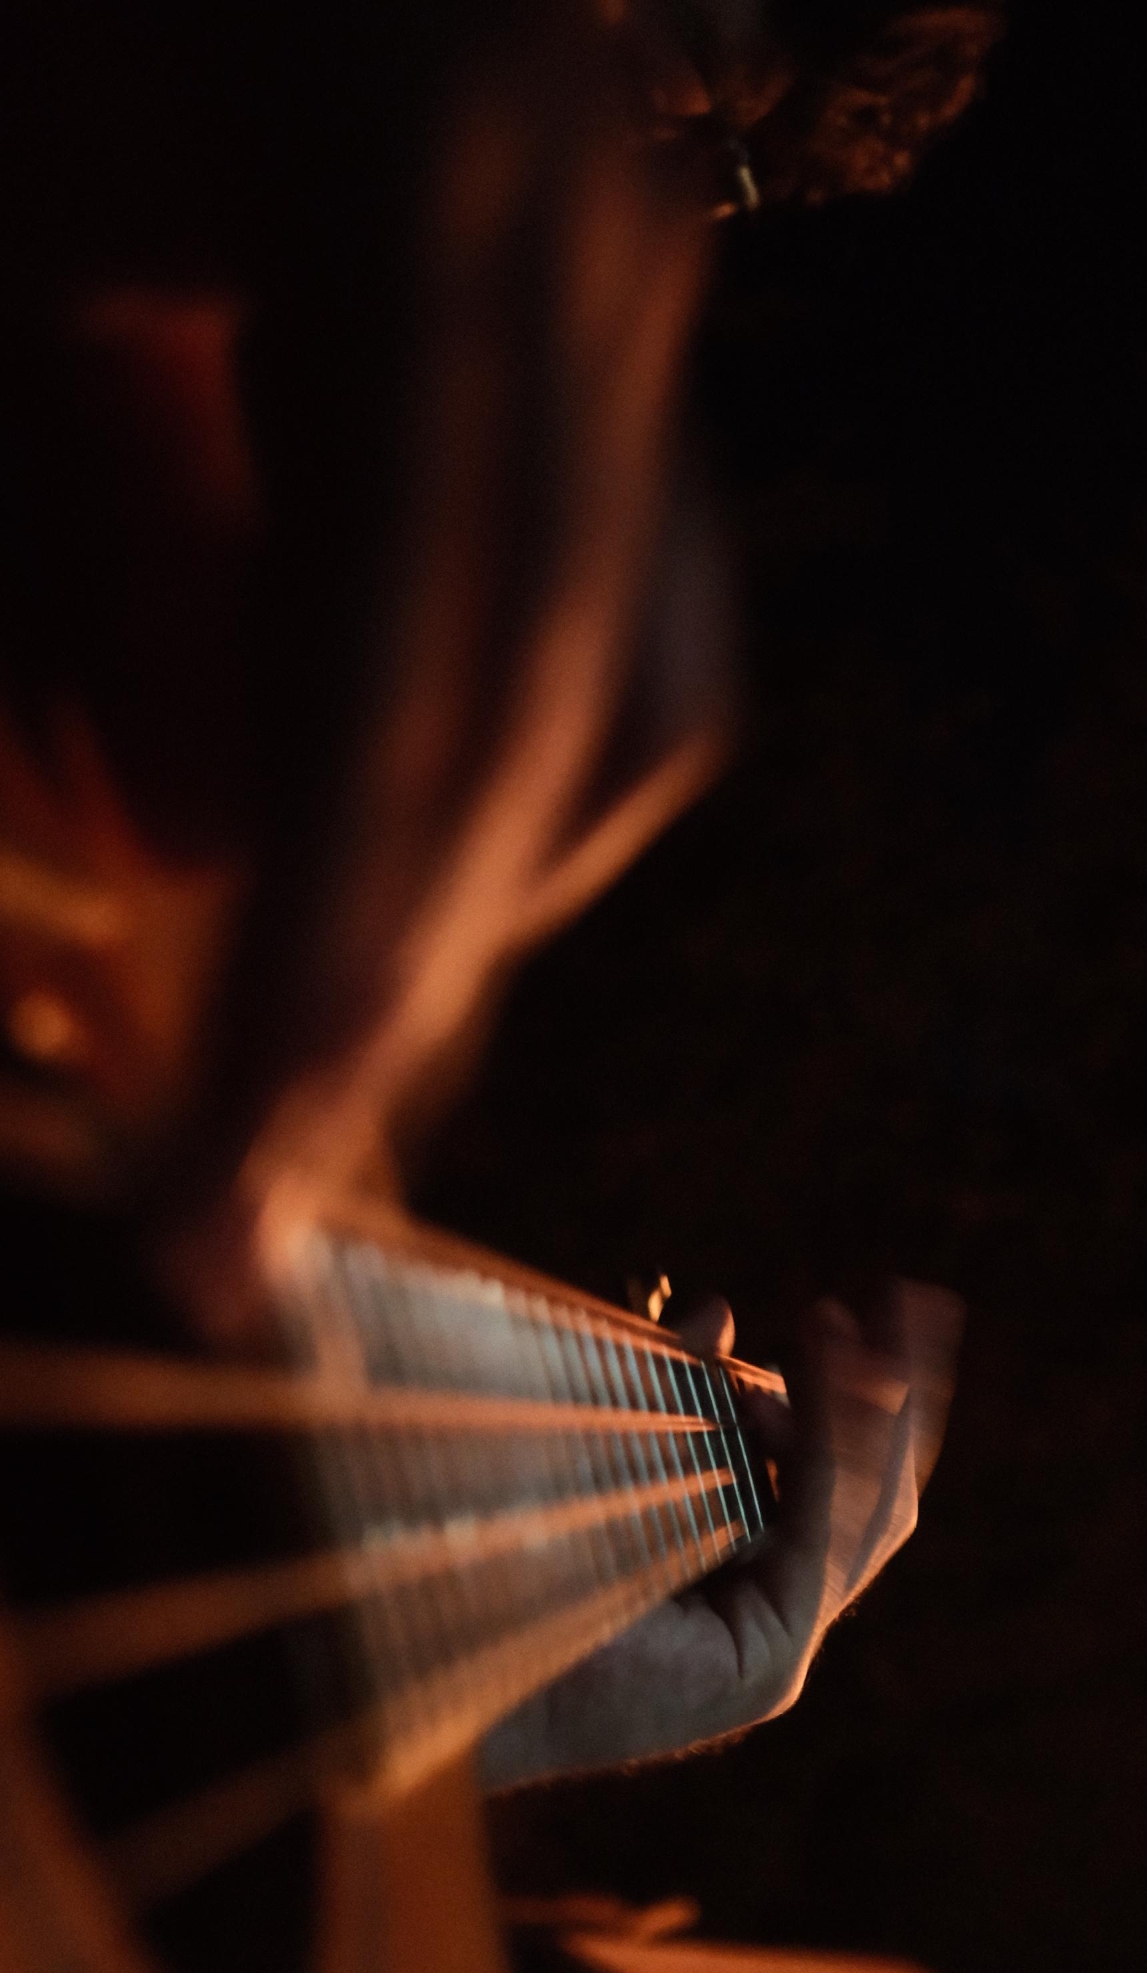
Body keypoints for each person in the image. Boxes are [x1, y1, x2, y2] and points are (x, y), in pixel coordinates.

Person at [0, 0, 993, 1773]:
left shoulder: (162, 668)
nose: (605, 182)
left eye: (697, 163)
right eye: (639, 56)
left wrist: (452, 1664)